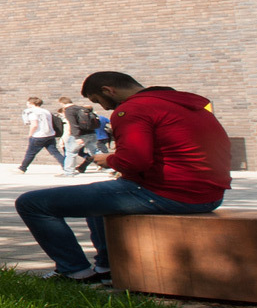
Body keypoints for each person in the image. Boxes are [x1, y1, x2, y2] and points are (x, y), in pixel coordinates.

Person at [14, 71, 232, 283]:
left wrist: (108, 160)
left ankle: (74, 272)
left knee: (32, 203)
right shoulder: (188, 105)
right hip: (210, 193)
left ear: (108, 90)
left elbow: (134, 161)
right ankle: (106, 268)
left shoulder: (132, 109)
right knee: (97, 199)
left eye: (99, 100)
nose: (105, 108)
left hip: (168, 193)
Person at [17, 97, 64, 174]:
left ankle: (22, 168)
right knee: (55, 152)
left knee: (30, 153)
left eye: (28, 103)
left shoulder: (32, 112)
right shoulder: (46, 111)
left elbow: (34, 125)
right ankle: (66, 166)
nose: (27, 104)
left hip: (38, 135)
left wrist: (30, 134)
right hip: (50, 134)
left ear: (31, 103)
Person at [58, 97, 100, 178]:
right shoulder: (81, 108)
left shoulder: (69, 110)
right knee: (94, 151)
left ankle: (69, 172)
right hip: (91, 133)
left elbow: (73, 124)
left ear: (62, 103)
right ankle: (111, 167)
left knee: (70, 153)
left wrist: (77, 137)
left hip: (79, 135)